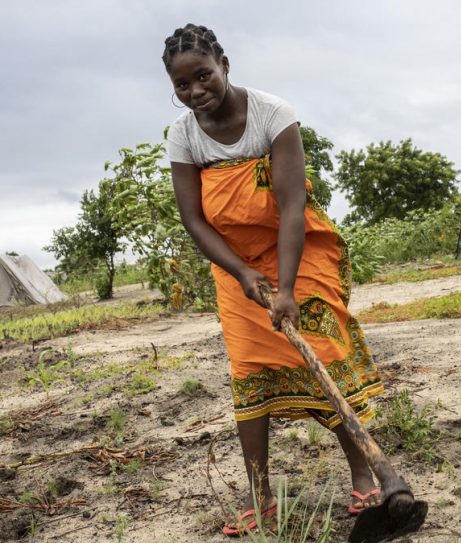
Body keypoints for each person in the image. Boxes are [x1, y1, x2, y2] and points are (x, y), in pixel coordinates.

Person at [161, 23, 385, 536]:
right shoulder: (183, 134)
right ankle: (260, 495)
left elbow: (290, 207)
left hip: (296, 252)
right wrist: (242, 274)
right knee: (248, 371)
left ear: (224, 64)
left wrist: (284, 290)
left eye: (204, 76)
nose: (196, 91)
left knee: (325, 351)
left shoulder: (273, 114)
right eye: (182, 85)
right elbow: (195, 220)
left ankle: (363, 474)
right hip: (233, 264)